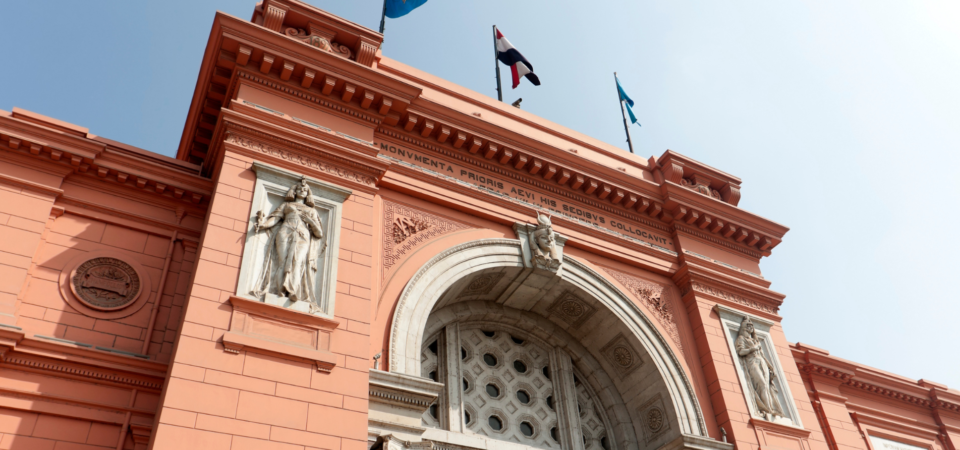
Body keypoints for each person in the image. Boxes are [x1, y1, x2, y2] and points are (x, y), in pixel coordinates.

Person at [251, 178, 326, 311]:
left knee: (297, 261)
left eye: (305, 189)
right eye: (299, 188)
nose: (302, 190)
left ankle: (292, 291)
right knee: (282, 261)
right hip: (285, 232)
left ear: (308, 193)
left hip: (302, 236)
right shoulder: (286, 205)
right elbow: (275, 219)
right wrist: (263, 225)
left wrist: (311, 221)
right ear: (294, 191)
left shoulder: (312, 211)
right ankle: (279, 290)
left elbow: (319, 233)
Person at [735, 317, 784, 420]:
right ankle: (766, 409)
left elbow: (763, 356)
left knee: (766, 385)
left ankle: (770, 409)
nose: (751, 328)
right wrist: (752, 349)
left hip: (761, 362)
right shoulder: (741, 338)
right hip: (752, 361)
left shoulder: (755, 340)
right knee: (761, 384)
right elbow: (741, 351)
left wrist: (770, 367)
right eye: (748, 326)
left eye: (751, 326)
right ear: (744, 327)